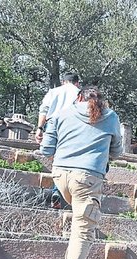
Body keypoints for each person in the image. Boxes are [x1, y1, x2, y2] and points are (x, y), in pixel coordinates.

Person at [40, 86, 123, 259]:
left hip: (60, 176)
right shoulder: (110, 116)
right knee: (83, 231)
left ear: (78, 98)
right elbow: (117, 152)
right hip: (87, 179)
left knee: (80, 224)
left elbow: (46, 150)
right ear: (101, 101)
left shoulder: (61, 114)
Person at [35, 73, 81, 209]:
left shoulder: (53, 92)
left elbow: (44, 110)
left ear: (63, 82)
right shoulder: (80, 93)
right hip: (71, 126)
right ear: (77, 83)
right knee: (70, 160)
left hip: (52, 124)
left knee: (56, 158)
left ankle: (57, 191)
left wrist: (39, 128)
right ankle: (65, 192)